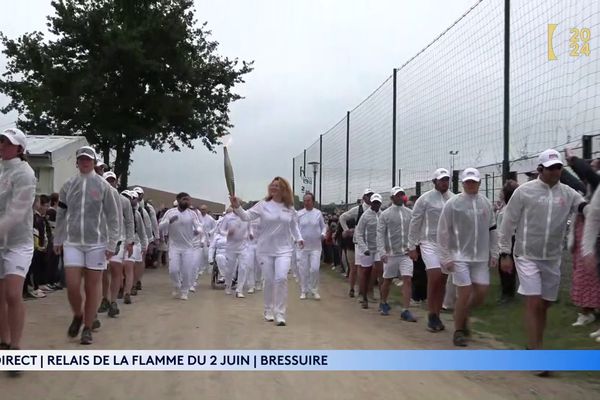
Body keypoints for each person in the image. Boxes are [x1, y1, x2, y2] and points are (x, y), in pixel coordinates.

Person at [499, 149, 586, 358]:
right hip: (526, 254)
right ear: (540, 169)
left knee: (544, 304)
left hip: (552, 257)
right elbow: (508, 222)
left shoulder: (567, 192)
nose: (555, 171)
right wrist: (504, 253)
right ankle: (536, 352)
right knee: (534, 301)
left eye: (558, 167)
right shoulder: (525, 191)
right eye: (550, 168)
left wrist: (591, 209)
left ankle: (534, 342)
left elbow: (583, 206)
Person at [54, 146, 119, 345]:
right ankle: (78, 314)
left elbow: (113, 217)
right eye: (81, 159)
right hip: (73, 241)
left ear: (93, 162)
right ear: (77, 162)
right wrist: (58, 238)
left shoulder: (103, 186)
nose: (84, 162)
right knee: (72, 285)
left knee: (92, 287)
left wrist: (111, 243)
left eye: (88, 159)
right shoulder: (68, 185)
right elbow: (62, 214)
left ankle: (88, 327)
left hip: (96, 243)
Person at [230, 177, 303, 326]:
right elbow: (246, 216)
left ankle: (280, 313)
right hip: (265, 250)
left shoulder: (289, 208)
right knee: (269, 280)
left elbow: (294, 226)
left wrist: (298, 238)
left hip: (284, 250)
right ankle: (268, 310)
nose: (273, 188)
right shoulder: (263, 205)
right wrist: (237, 207)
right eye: (272, 185)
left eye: (277, 186)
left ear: (283, 189)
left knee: (281, 278)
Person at [437, 168, 497, 347]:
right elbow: (443, 231)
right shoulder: (453, 203)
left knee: (481, 293)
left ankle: (462, 314)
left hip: (480, 257)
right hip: (459, 256)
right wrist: (446, 256)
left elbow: (493, 230)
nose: (471, 185)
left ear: (479, 183)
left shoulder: (486, 203)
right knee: (464, 292)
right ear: (463, 183)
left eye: (474, 182)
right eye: (468, 182)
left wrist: (494, 253)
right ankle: (459, 331)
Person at [0, 128, 37, 376]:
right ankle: (3, 341)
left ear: (19, 149)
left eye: (7, 142)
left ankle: (15, 348)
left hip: (18, 242)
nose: (2, 145)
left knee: (13, 294)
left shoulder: (25, 173)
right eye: (1, 141)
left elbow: (17, 212)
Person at [408, 168, 454, 332]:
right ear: (434, 181)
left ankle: (436, 313)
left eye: (447, 179)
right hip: (428, 242)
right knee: (434, 275)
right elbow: (415, 222)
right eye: (441, 180)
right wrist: (412, 246)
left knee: (442, 280)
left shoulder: (453, 198)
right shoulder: (424, 199)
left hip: (447, 245)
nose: (444, 182)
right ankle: (431, 314)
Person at [377, 187, 416, 321]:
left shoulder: (410, 213)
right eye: (397, 195)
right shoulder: (385, 214)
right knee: (387, 280)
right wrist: (382, 252)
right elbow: (380, 234)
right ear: (392, 198)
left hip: (405, 253)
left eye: (402, 195)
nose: (400, 197)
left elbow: (413, 232)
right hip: (391, 254)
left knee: (407, 279)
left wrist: (413, 247)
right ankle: (383, 302)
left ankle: (406, 309)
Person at [99, 172, 134, 317]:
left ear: (116, 183)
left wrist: (130, 241)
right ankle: (104, 298)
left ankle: (113, 301)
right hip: (100, 239)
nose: (111, 183)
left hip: (118, 238)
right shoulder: (98, 198)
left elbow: (129, 221)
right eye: (108, 180)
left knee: (115, 269)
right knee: (102, 271)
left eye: (113, 180)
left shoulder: (123, 201)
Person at [159, 192, 204, 300]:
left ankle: (184, 291)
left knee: (186, 270)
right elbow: (160, 226)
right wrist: (169, 221)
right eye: (185, 199)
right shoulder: (170, 213)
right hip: (174, 246)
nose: (187, 202)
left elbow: (199, 226)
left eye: (188, 200)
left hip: (188, 247)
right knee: (173, 270)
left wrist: (198, 230)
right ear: (178, 200)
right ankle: (176, 285)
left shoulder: (192, 214)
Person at [340, 188, 374, 298]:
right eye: (368, 195)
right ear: (364, 197)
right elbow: (342, 217)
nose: (370, 197)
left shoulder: (375, 210)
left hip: (370, 242)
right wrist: (346, 230)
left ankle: (365, 291)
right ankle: (352, 288)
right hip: (356, 243)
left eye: (371, 195)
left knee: (367, 268)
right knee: (355, 268)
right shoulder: (358, 209)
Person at [118, 190, 147, 304]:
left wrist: (144, 245)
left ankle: (127, 292)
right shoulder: (115, 212)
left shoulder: (137, 214)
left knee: (128, 268)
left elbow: (142, 231)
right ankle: (121, 287)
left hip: (132, 244)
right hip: (118, 244)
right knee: (119, 269)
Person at [355, 193, 383, 309]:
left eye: (378, 202)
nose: (376, 204)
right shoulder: (365, 216)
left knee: (380, 272)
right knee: (365, 272)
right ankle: (363, 296)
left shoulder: (383, 215)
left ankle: (383, 299)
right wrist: (364, 248)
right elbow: (359, 233)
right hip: (367, 248)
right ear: (371, 203)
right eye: (374, 202)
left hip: (379, 249)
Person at [297, 192, 327, 300]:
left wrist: (323, 234)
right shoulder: (299, 214)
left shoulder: (318, 213)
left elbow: (323, 227)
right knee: (303, 270)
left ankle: (314, 290)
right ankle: (304, 290)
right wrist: (298, 238)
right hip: (303, 247)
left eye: (308, 200)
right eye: (304, 200)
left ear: (312, 201)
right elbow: (295, 229)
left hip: (316, 246)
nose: (306, 202)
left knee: (314, 269)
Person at [496, 180, 520, 304]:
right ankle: (509, 292)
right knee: (509, 267)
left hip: (508, 239)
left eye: (501, 191)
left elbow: (502, 228)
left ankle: (507, 294)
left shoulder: (508, 210)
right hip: (510, 238)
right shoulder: (507, 207)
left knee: (506, 267)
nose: (500, 193)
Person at [219, 210, 251, 297]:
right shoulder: (228, 217)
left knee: (243, 268)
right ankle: (228, 285)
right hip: (231, 247)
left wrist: (249, 234)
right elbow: (221, 230)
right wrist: (228, 233)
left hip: (243, 247)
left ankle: (239, 289)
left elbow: (249, 229)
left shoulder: (246, 216)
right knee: (230, 269)